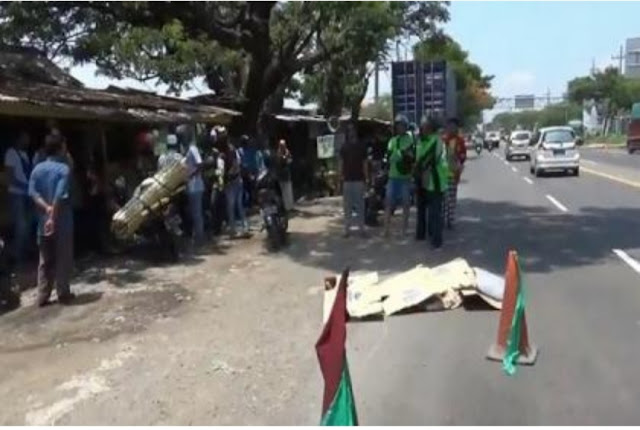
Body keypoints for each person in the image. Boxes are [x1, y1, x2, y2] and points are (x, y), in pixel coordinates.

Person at [28, 134, 75, 306]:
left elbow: (33, 193)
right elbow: (60, 195)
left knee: (45, 259)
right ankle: (63, 292)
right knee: (63, 257)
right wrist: (53, 216)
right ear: (60, 148)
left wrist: (46, 210)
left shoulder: (36, 169)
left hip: (42, 222)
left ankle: (43, 295)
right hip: (61, 221)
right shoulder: (63, 169)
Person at [414, 117, 449, 249]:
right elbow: (417, 158)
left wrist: (419, 165)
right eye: (421, 125)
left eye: (424, 125)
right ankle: (421, 234)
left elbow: (430, 159)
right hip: (422, 179)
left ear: (430, 127)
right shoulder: (420, 141)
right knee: (421, 209)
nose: (422, 128)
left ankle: (436, 240)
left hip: (435, 180)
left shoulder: (437, 141)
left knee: (435, 212)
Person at [4, 132, 33, 266]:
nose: (27, 141)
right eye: (25, 138)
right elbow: (10, 177)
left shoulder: (25, 155)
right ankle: (15, 256)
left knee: (28, 225)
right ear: (18, 138)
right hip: (16, 194)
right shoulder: (11, 153)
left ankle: (23, 254)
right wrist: (25, 186)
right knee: (21, 226)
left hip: (26, 194)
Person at [384, 115, 414, 237]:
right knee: (388, 203)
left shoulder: (410, 139)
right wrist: (401, 153)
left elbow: (410, 156)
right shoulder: (392, 141)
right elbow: (390, 158)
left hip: (405, 177)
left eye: (401, 125)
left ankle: (404, 230)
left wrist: (400, 154)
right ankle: (386, 230)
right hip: (393, 176)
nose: (399, 128)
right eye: (397, 125)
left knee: (406, 204)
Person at [339, 122, 368, 238]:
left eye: (353, 130)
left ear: (356, 132)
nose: (351, 132)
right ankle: (347, 229)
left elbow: (365, 163)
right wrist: (340, 178)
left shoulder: (362, 146)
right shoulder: (344, 147)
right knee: (347, 206)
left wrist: (367, 178)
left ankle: (361, 229)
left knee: (360, 205)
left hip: (359, 179)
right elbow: (341, 163)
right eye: (349, 130)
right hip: (347, 179)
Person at [442, 118, 466, 230]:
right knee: (443, 198)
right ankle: (442, 218)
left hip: (453, 173)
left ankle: (450, 220)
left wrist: (458, 160)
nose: (452, 128)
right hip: (441, 173)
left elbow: (463, 156)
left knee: (451, 198)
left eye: (454, 126)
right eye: (450, 126)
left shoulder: (459, 141)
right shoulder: (442, 140)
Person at [221, 136, 248, 237]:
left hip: (231, 182)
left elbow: (233, 167)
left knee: (231, 206)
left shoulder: (225, 153)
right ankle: (244, 228)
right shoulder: (234, 151)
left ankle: (234, 229)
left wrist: (227, 176)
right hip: (237, 180)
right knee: (239, 205)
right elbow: (238, 165)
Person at [185, 137, 205, 246]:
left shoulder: (193, 149)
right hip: (191, 186)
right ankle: (196, 236)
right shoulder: (186, 150)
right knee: (193, 213)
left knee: (197, 213)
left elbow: (200, 164)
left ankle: (199, 238)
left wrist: (191, 175)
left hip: (196, 185)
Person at [275, 139, 294, 212]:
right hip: (281, 176)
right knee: (284, 192)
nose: (283, 146)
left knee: (289, 191)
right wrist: (286, 157)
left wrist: (287, 158)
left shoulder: (287, 151)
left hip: (287, 175)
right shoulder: (279, 152)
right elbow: (281, 160)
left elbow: (290, 160)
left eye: (284, 145)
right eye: (282, 145)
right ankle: (286, 208)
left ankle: (290, 207)